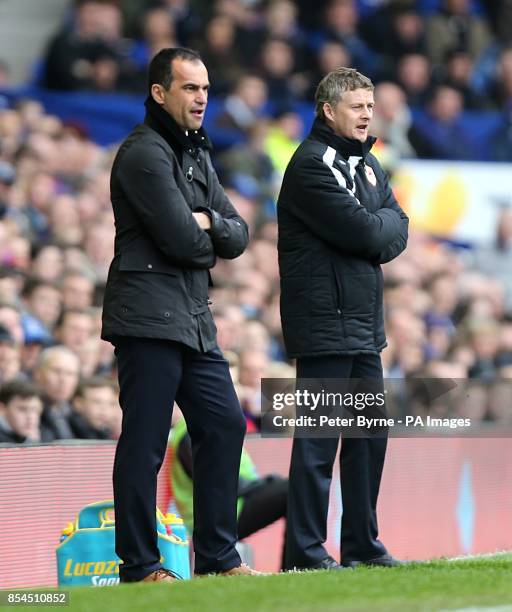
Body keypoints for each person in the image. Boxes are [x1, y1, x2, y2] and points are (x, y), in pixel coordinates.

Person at [101, 47, 257, 584]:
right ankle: (140, 567)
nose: (201, 99)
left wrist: (206, 222)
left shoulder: (196, 154)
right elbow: (182, 241)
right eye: (190, 88)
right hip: (146, 317)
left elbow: (237, 234)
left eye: (206, 89)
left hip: (191, 316)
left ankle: (218, 558)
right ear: (159, 92)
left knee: (224, 423)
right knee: (145, 444)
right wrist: (208, 231)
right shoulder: (143, 154)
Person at [277, 67, 409, 570]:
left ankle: (361, 544)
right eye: (357, 107)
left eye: (370, 107)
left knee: (369, 438)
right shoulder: (311, 165)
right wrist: (380, 226)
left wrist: (380, 226)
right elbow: (370, 234)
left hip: (362, 325)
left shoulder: (369, 165)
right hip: (323, 322)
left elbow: (398, 227)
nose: (367, 115)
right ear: (329, 111)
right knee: (317, 444)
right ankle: (307, 552)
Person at [169, 416, 288, 569]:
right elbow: (215, 482)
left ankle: (294, 564)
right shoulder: (191, 432)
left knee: (293, 489)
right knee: (293, 490)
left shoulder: (207, 426)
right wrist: (265, 484)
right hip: (218, 515)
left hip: (232, 506)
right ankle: (295, 564)